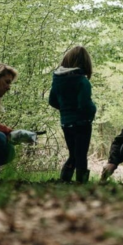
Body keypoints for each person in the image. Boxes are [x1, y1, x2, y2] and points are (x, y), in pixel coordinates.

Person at [49, 46, 97, 183]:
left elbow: (52, 101)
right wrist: (93, 110)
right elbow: (84, 104)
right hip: (82, 123)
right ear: (86, 63)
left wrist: (66, 110)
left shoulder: (58, 80)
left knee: (73, 154)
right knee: (81, 154)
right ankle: (81, 183)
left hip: (66, 123)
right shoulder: (82, 81)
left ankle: (64, 180)